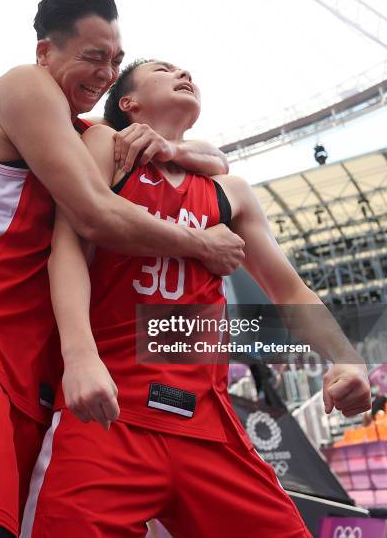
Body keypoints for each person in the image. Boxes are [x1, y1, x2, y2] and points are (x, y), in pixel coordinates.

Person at [0, 0, 246, 538]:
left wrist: (176, 148)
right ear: (45, 51)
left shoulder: (83, 135)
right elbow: (94, 215)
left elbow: (216, 157)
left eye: (115, 62)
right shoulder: (25, 87)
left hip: (28, 367)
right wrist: (201, 243)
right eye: (92, 56)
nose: (104, 74)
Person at [22, 59, 371, 537]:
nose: (184, 74)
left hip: (208, 420)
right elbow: (68, 250)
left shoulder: (232, 192)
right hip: (112, 411)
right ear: (129, 103)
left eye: (187, 71)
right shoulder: (105, 145)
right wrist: (79, 358)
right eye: (165, 70)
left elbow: (289, 289)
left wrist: (346, 358)